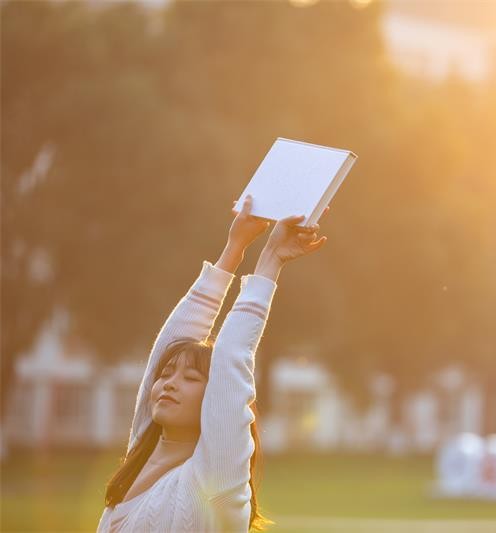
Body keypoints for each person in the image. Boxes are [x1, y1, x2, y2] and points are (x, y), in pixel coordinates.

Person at [96, 195, 328, 532]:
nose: (169, 383)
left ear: (214, 400)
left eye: (191, 378)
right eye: (166, 375)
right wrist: (234, 248)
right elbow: (171, 343)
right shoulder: (141, 454)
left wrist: (270, 260)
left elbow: (231, 358)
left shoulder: (215, 479)